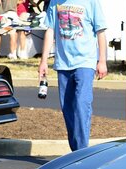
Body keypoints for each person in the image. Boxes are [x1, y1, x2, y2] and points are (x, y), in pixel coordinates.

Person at [38, 0, 107, 151]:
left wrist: (102, 61)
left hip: (85, 62)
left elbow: (100, 32)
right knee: (68, 108)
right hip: (63, 63)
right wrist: (43, 61)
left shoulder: (91, 2)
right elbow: (50, 30)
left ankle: (82, 150)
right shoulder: (55, 2)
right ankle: (76, 151)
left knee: (81, 104)